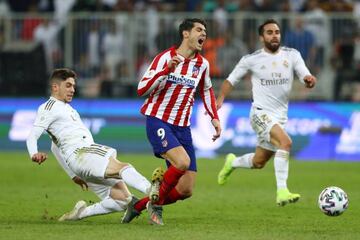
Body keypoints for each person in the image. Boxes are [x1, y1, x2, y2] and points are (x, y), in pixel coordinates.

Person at [122, 18, 221, 225]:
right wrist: (166, 70)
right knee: (182, 162)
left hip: (182, 128)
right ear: (186, 34)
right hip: (159, 120)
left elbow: (206, 90)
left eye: (205, 31)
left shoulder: (202, 64)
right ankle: (155, 207)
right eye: (199, 30)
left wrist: (214, 116)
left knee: (186, 190)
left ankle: (138, 205)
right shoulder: (165, 57)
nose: (204, 34)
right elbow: (142, 89)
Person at [26, 68, 160, 221]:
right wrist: (34, 153)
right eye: (68, 85)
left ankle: (80, 213)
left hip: (82, 161)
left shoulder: (66, 108)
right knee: (122, 167)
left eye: (74, 86)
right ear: (55, 87)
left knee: (123, 200)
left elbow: (54, 147)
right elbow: (32, 136)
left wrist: (73, 175)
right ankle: (151, 190)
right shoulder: (48, 108)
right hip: (83, 153)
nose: (72, 90)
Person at [217, 19, 317, 206]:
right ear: (262, 37)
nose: (274, 35)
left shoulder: (292, 55)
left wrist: (308, 80)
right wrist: (220, 99)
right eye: (269, 32)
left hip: (280, 117)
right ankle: (282, 191)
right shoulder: (251, 59)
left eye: (277, 32)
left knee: (258, 162)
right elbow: (230, 80)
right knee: (286, 143)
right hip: (259, 113)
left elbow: (304, 74)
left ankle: (232, 162)